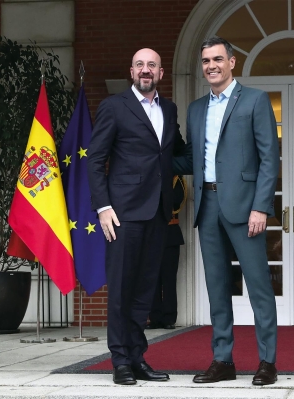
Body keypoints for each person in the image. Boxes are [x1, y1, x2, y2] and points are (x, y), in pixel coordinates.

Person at [174, 36, 280, 386]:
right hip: (208, 207)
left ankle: (267, 361)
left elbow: (269, 159)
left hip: (246, 208)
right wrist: (149, 157)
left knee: (258, 286)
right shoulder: (195, 109)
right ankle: (223, 360)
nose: (211, 66)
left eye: (217, 59)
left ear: (232, 62)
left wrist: (261, 207)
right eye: (206, 61)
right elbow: (192, 159)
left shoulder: (255, 100)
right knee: (217, 287)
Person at [87, 48, 185, 385]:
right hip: (122, 214)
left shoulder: (169, 109)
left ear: (161, 73)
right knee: (122, 289)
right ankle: (120, 362)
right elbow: (95, 160)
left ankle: (137, 357)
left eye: (152, 66)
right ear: (132, 71)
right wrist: (103, 208)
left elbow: (176, 153)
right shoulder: (114, 107)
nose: (146, 70)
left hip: (159, 212)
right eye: (140, 65)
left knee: (145, 289)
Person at [148, 175, 187, 330]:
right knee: (152, 280)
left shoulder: (175, 177)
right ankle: (155, 317)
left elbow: (178, 200)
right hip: (150, 234)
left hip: (170, 232)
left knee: (169, 279)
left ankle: (169, 318)